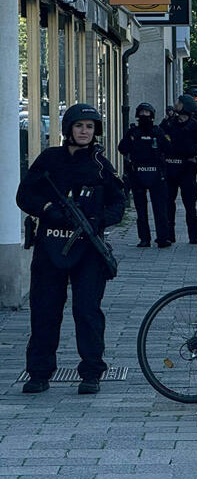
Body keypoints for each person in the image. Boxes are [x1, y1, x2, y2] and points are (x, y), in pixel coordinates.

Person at [16, 104, 126, 395]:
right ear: (69, 129)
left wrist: (99, 220)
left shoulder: (101, 164)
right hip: (49, 247)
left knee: (87, 311)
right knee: (45, 311)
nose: (84, 132)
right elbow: (24, 194)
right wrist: (47, 208)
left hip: (88, 249)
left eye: (90, 127)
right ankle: (39, 373)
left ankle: (91, 372)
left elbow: (118, 203)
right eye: (79, 126)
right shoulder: (50, 160)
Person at [117, 102, 171, 248]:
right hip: (138, 173)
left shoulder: (157, 131)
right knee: (141, 210)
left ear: (152, 116)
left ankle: (163, 238)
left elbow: (168, 148)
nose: (144, 116)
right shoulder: (133, 132)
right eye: (142, 113)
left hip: (156, 174)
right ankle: (144, 238)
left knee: (160, 208)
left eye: (147, 113)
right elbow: (122, 148)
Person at [161, 95, 197, 244]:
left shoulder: (194, 126)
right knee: (168, 202)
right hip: (170, 167)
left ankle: (193, 235)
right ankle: (168, 234)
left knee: (190, 204)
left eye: (178, 102)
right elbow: (160, 140)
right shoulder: (169, 124)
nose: (175, 105)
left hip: (187, 169)